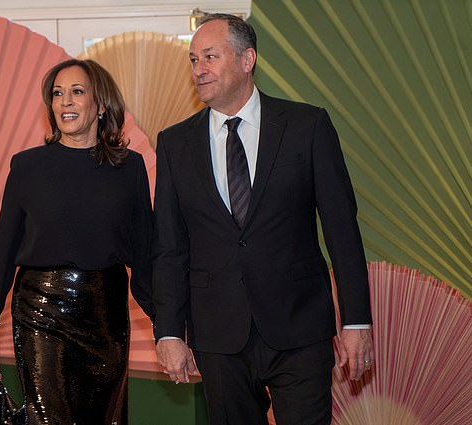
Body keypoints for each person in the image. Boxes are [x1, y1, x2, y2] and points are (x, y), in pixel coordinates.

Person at [151, 13, 373, 425]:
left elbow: (342, 231)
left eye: (210, 57)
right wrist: (168, 332)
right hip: (218, 334)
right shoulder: (175, 143)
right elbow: (168, 246)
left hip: (300, 327)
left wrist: (357, 321)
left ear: (247, 59)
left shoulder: (307, 126)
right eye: (193, 59)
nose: (199, 69)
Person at [0, 58, 154, 425]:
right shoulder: (27, 167)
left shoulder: (130, 168)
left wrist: (169, 327)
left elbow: (147, 256)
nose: (65, 102)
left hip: (106, 316)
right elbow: (3, 251)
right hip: (40, 311)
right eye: (57, 94)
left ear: (101, 104)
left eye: (76, 92)